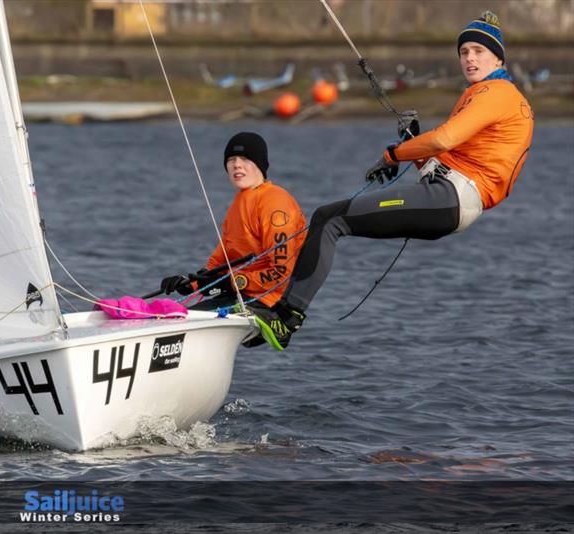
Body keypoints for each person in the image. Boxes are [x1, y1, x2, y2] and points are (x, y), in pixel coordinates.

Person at [254, 10, 534, 349]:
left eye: (479, 51)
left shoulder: (497, 93)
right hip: (447, 196)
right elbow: (445, 160)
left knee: (331, 219)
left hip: (452, 199)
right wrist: (413, 146)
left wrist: (392, 155)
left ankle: (287, 317)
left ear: (498, 57)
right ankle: (278, 318)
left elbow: (444, 140)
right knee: (327, 217)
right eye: (464, 52)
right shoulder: (483, 94)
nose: (470, 58)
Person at [159, 131, 307, 350]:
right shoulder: (239, 203)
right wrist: (189, 283)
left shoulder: (275, 202)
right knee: (166, 313)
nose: (237, 165)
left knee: (176, 321)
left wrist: (232, 281)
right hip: (241, 293)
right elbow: (221, 261)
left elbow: (280, 271)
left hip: (267, 300)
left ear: (260, 164)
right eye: (231, 160)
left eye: (245, 159)